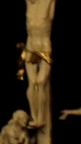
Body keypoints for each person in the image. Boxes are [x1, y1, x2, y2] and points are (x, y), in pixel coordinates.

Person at [21, 0, 56, 129]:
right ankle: (35, 116)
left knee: (41, 83)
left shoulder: (48, 2)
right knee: (32, 84)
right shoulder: (29, 3)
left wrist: (41, 55)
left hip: (44, 48)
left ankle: (40, 118)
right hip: (31, 46)